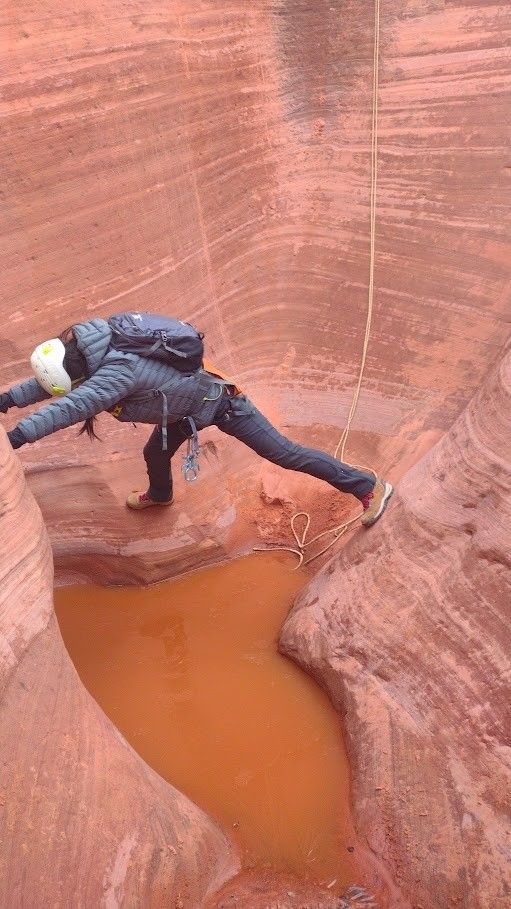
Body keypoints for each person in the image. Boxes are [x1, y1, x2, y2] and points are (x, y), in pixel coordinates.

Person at [0, 315, 393, 526]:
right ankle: (161, 495)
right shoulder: (86, 346)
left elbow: (69, 406)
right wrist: (6, 400)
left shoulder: (115, 372)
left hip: (223, 404)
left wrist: (16, 437)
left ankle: (367, 487)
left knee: (285, 454)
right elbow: (52, 387)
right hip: (183, 409)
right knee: (155, 454)